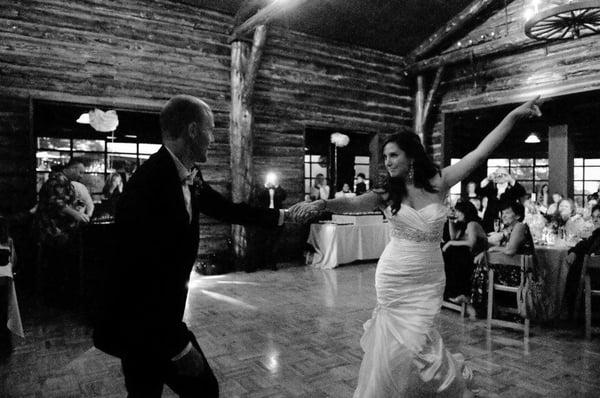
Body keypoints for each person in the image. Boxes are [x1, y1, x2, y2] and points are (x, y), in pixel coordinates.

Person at [287, 97, 542, 397]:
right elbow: (353, 203)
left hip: (429, 276)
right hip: (394, 276)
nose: (388, 162)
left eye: (393, 155)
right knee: (396, 344)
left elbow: (481, 151)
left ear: (410, 156)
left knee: (420, 341)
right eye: (385, 157)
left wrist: (513, 114)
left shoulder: (439, 182)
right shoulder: (386, 194)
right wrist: (322, 204)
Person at [93, 95, 287, 397]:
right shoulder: (146, 187)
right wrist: (178, 347)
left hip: (159, 322)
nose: (213, 138)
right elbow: (138, 275)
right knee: (200, 390)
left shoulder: (188, 173)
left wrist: (281, 217)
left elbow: (225, 209)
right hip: (140, 325)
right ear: (193, 130)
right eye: (210, 130)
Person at [470, 201, 536, 317]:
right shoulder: (510, 230)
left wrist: (492, 250)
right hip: (516, 270)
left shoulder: (520, 226)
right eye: (502, 213)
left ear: (518, 216)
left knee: (481, 267)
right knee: (480, 263)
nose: (503, 216)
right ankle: (485, 308)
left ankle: (482, 308)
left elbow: (510, 250)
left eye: (507, 213)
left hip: (521, 275)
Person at [441, 200, 487, 305]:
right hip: (465, 256)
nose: (456, 214)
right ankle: (448, 292)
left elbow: (471, 243)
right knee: (447, 252)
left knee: (450, 252)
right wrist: (450, 220)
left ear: (465, 212)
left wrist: (450, 243)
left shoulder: (472, 224)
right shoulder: (463, 225)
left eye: (458, 211)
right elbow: (453, 237)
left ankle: (453, 293)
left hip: (476, 259)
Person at [562, 204, 600, 317]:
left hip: (595, 279)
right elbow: (584, 244)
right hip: (592, 276)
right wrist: (574, 251)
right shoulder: (597, 234)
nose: (596, 219)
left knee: (574, 271)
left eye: (599, 216)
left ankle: (571, 313)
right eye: (593, 217)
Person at [251, 173, 287, 271]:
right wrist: (265, 186)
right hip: (264, 217)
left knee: (274, 241)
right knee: (261, 240)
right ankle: (259, 263)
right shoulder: (262, 190)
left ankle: (272, 264)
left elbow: (283, 196)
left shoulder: (279, 190)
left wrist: (277, 186)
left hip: (276, 216)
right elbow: (259, 197)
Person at [477, 167, 526, 233]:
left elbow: (522, 192)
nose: (500, 176)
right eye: (498, 174)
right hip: (489, 223)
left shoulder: (512, 189)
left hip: (508, 223)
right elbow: (478, 191)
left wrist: (510, 179)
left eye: (503, 174)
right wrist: (487, 179)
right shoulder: (491, 187)